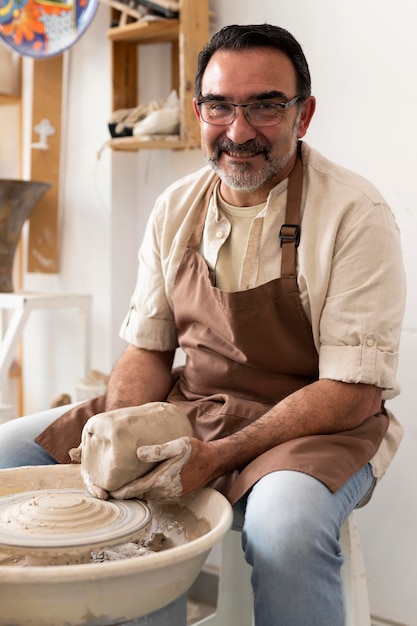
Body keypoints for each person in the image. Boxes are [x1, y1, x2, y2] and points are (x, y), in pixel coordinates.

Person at [0, 24, 405, 626]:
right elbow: (147, 349)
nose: (239, 131)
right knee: (11, 455)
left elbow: (353, 391)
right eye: (220, 106)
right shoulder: (176, 207)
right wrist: (126, 432)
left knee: (285, 530)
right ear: (198, 112)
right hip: (195, 407)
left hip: (313, 426)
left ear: (304, 114)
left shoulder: (354, 214)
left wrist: (217, 456)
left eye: (266, 105)